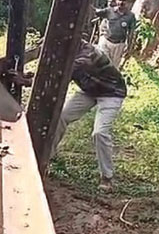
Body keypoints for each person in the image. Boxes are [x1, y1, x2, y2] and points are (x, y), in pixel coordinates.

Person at [53, 40, 126, 191]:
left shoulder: (86, 56)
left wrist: (28, 79)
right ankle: (48, 156)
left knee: (100, 133)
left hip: (111, 93)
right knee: (60, 117)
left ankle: (107, 178)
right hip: (89, 90)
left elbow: (60, 76)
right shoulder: (69, 52)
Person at [93, 0, 137, 67]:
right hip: (106, 41)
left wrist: (129, 47)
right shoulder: (109, 11)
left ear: (128, 2)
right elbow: (97, 12)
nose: (121, 2)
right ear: (116, 1)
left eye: (124, 0)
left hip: (119, 45)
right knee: (102, 62)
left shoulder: (130, 16)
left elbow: (131, 32)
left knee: (113, 67)